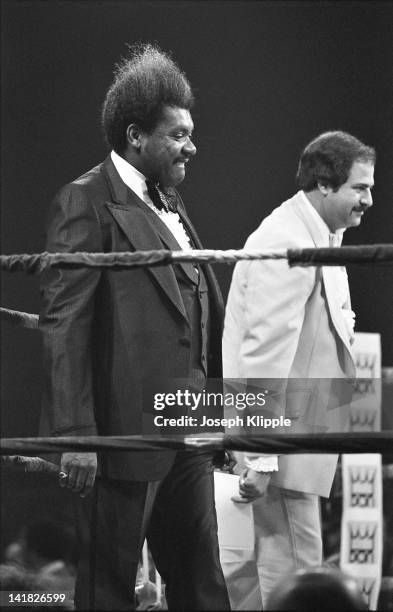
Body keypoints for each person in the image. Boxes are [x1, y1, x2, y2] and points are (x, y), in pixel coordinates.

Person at [39, 43, 230, 611]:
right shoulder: (86, 201)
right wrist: (78, 437)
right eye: (177, 134)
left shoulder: (167, 200)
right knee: (109, 589)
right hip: (121, 438)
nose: (191, 145)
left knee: (203, 582)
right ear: (134, 135)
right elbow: (64, 324)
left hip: (187, 429)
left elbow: (192, 312)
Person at [222, 131, 375, 608]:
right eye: (360, 188)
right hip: (281, 444)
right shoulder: (286, 241)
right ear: (324, 184)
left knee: (296, 567)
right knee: (293, 573)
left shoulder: (318, 234)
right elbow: (264, 354)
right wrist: (262, 454)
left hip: (300, 437)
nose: (369, 200)